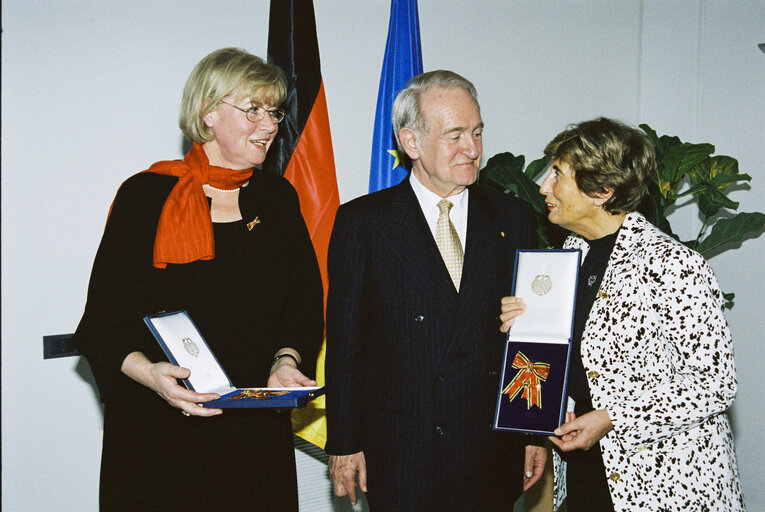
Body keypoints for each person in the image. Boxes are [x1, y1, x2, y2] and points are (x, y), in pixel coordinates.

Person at [72, 47, 324, 511]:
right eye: (253, 110)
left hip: (253, 437)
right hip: (157, 434)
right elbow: (102, 327)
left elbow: (304, 303)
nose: (270, 126)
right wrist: (152, 375)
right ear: (209, 113)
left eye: (274, 112)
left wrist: (286, 359)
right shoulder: (145, 196)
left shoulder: (277, 198)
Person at [325, 70, 547, 511]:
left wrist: (532, 431)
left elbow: (532, 337)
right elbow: (346, 344)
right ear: (410, 143)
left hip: (490, 449)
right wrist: (345, 444)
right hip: (403, 455)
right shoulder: (363, 224)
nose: (473, 149)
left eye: (478, 132)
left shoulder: (513, 216)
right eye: (455, 135)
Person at [500, 117, 745, 511]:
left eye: (558, 174)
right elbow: (578, 364)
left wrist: (612, 417)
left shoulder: (673, 264)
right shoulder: (567, 257)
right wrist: (523, 324)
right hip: (587, 472)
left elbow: (715, 381)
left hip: (667, 485)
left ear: (601, 190)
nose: (544, 186)